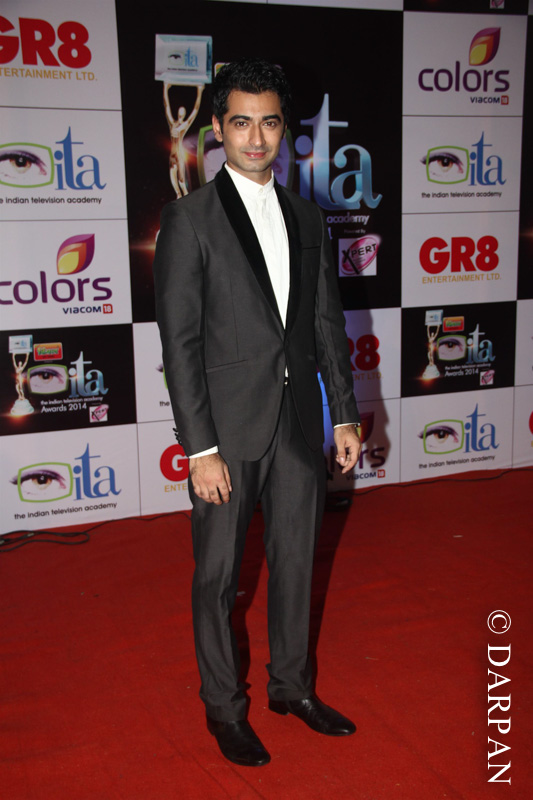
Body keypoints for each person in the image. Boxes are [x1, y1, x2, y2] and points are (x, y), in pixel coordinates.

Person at [153, 58, 362, 767]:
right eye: (240, 122)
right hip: (226, 434)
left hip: (298, 421)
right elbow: (180, 344)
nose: (255, 137)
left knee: (296, 564)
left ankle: (291, 689)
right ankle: (224, 708)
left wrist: (343, 414)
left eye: (268, 122)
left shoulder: (307, 216)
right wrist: (199, 449)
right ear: (217, 129)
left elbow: (327, 323)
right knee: (217, 578)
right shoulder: (188, 220)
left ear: (284, 130)